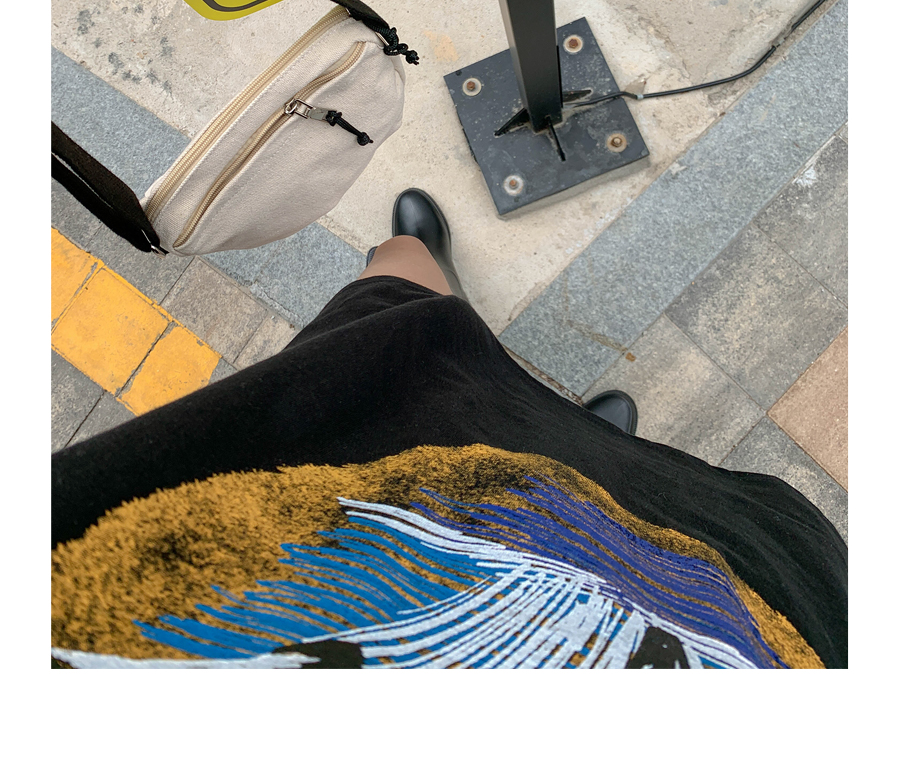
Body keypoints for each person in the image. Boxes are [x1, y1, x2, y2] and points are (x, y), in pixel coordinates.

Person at [51, 189, 846, 669]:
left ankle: (460, 314)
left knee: (398, 329)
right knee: (622, 484)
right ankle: (583, 447)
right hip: (753, 626)